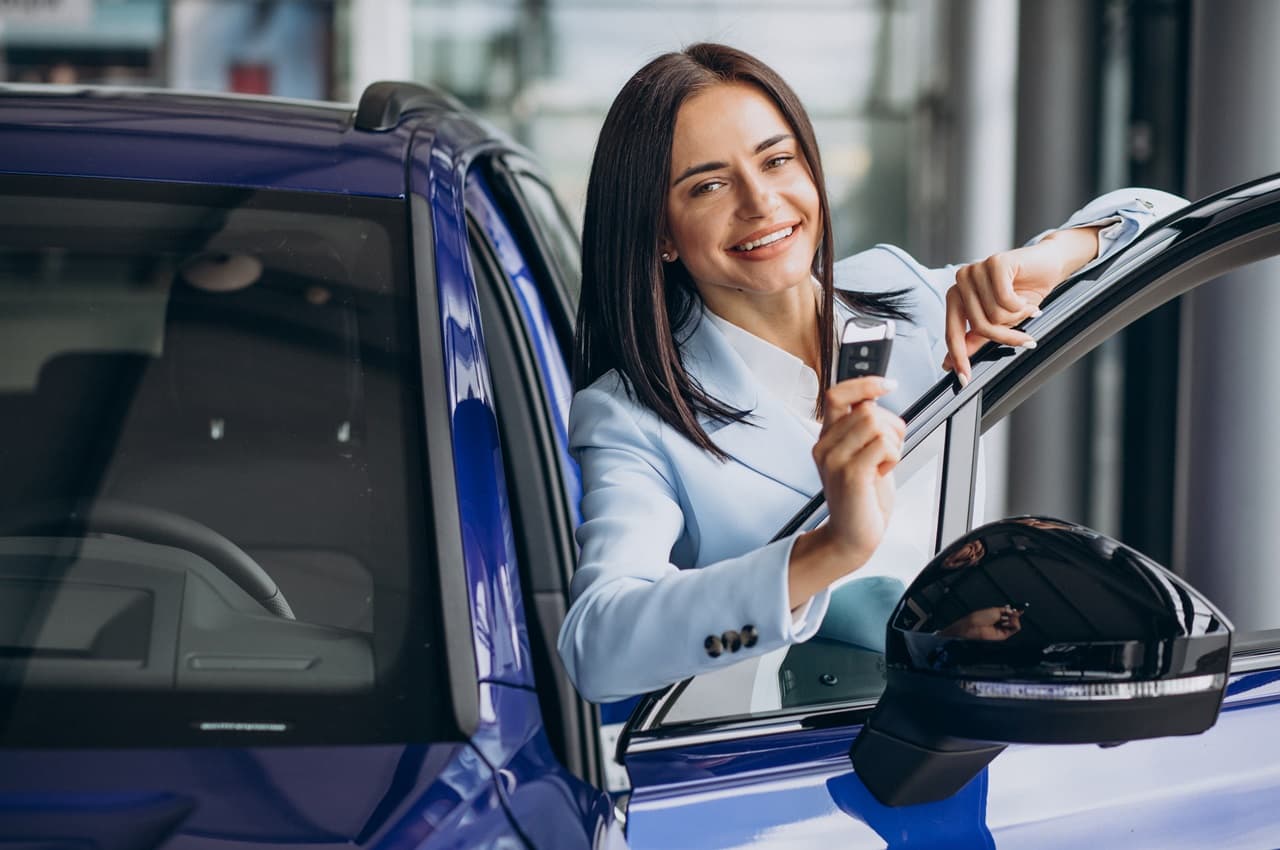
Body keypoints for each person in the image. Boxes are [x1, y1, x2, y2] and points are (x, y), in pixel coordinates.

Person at [558, 42, 1185, 703]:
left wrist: (1056, 256)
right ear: (659, 231)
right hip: (785, 758)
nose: (762, 203)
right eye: (710, 185)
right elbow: (597, 648)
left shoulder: (907, 296)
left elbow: (1175, 222)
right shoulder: (632, 412)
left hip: (977, 719)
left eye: (777, 161)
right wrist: (831, 549)